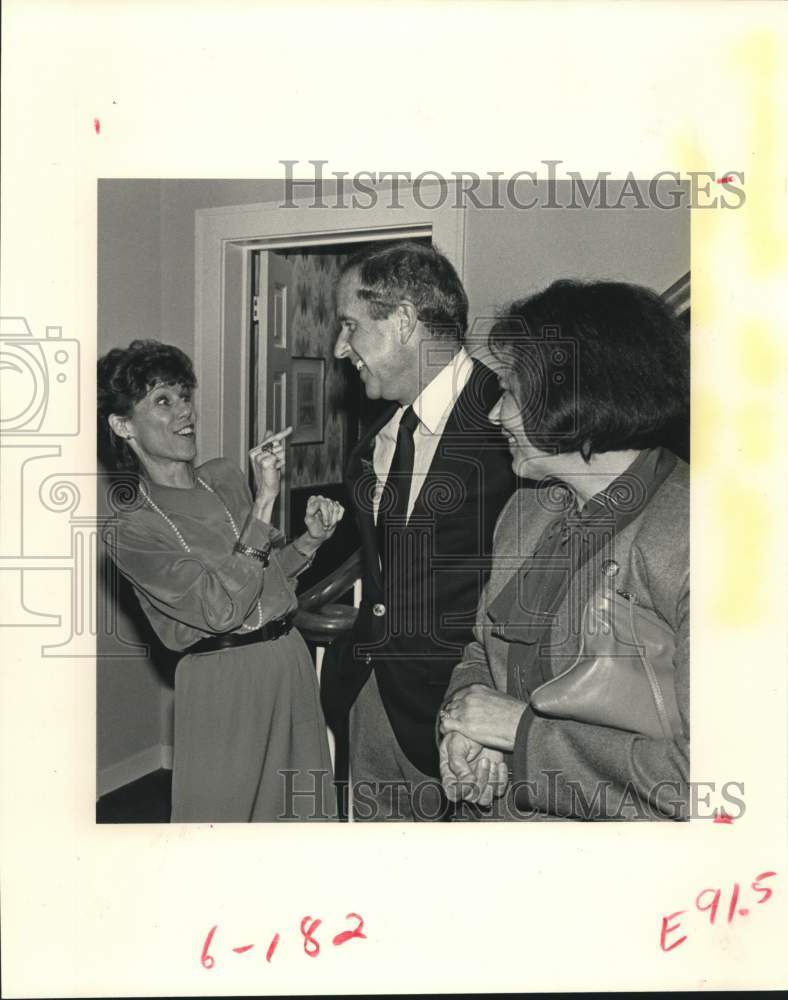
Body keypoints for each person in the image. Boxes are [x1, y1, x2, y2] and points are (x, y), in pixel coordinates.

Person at [439, 279, 690, 821]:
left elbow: (699, 779)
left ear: (573, 394)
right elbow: (482, 649)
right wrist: (466, 724)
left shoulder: (701, 536)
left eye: (508, 389)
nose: (493, 414)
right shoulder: (526, 511)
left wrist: (521, 736)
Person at [98, 339, 343, 822]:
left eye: (184, 396)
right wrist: (264, 504)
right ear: (123, 425)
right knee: (220, 827)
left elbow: (264, 578)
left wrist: (310, 542)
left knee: (302, 821)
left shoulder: (225, 477)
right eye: (162, 401)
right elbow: (219, 609)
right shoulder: (130, 528)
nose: (184, 411)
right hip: (223, 681)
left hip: (287, 661)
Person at [320, 241, 515, 821]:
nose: (339, 348)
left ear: (403, 321)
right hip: (372, 700)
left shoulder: (514, 424)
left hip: (472, 727)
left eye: (350, 325)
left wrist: (497, 717)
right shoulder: (376, 441)